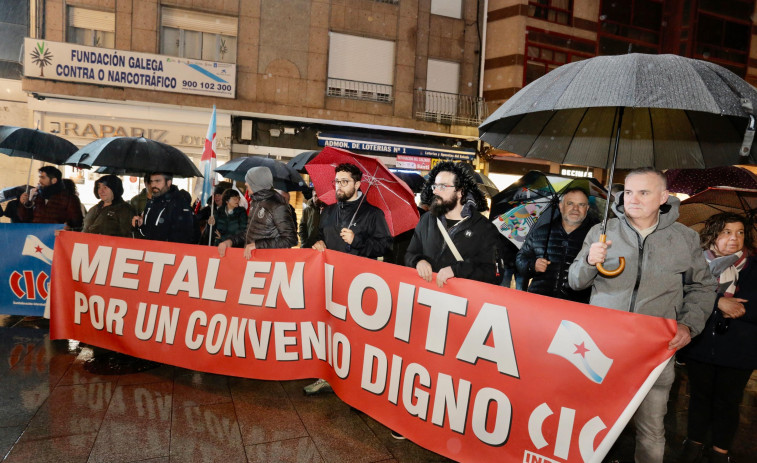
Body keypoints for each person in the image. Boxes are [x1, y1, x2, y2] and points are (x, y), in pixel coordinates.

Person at [568, 167, 717, 463]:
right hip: (601, 348)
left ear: (663, 197)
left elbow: (703, 286)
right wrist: (588, 260)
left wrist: (688, 325)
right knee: (592, 420)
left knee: (651, 428)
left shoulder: (685, 238)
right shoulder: (602, 231)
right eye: (629, 192)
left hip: (655, 350)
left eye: (644, 192)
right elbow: (575, 281)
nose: (632, 199)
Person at [304, 162, 393, 396]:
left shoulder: (373, 213)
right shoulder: (330, 210)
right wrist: (317, 243)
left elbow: (386, 245)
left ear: (357, 183)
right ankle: (326, 376)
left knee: (354, 335)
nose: (339, 187)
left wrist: (358, 241)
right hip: (330, 282)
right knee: (329, 330)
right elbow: (318, 237)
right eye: (337, 182)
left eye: (344, 182)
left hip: (359, 285)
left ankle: (354, 380)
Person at [677, 213, 757, 463]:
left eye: (740, 232)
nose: (734, 238)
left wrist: (741, 309)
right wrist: (716, 302)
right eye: (726, 232)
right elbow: (681, 297)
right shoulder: (696, 264)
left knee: (728, 401)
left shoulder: (754, 266)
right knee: (699, 397)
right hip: (701, 345)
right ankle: (694, 442)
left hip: (740, 349)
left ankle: (721, 451)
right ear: (712, 235)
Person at [404, 161, 507, 287]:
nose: (435, 191)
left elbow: (496, 273)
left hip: (462, 303)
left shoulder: (485, 228)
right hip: (427, 298)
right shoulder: (426, 220)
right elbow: (410, 254)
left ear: (460, 192)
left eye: (442, 186)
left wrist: (457, 270)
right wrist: (418, 261)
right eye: (434, 186)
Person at [516, 188, 597, 303]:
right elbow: (520, 259)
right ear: (561, 206)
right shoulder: (541, 232)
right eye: (570, 203)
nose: (575, 209)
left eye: (581, 205)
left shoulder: (595, 237)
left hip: (576, 307)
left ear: (587, 208)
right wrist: (532, 265)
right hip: (539, 302)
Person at [217, 166, 297, 259]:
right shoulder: (255, 202)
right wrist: (230, 241)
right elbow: (249, 232)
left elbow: (290, 239)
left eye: (249, 181)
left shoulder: (278, 205)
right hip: (252, 260)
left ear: (257, 183)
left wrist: (257, 245)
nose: (246, 183)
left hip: (268, 262)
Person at [131, 172, 195, 243]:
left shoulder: (179, 204)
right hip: (151, 250)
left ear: (168, 183)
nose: (153, 185)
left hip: (168, 252)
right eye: (151, 181)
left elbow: (183, 237)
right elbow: (147, 234)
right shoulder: (151, 203)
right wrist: (141, 225)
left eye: (158, 181)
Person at [17, 166, 84, 230]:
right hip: (37, 237)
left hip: (57, 238)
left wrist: (68, 226)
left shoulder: (69, 198)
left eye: (43, 178)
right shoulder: (38, 196)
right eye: (40, 177)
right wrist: (23, 204)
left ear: (54, 180)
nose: (40, 181)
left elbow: (77, 222)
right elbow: (25, 219)